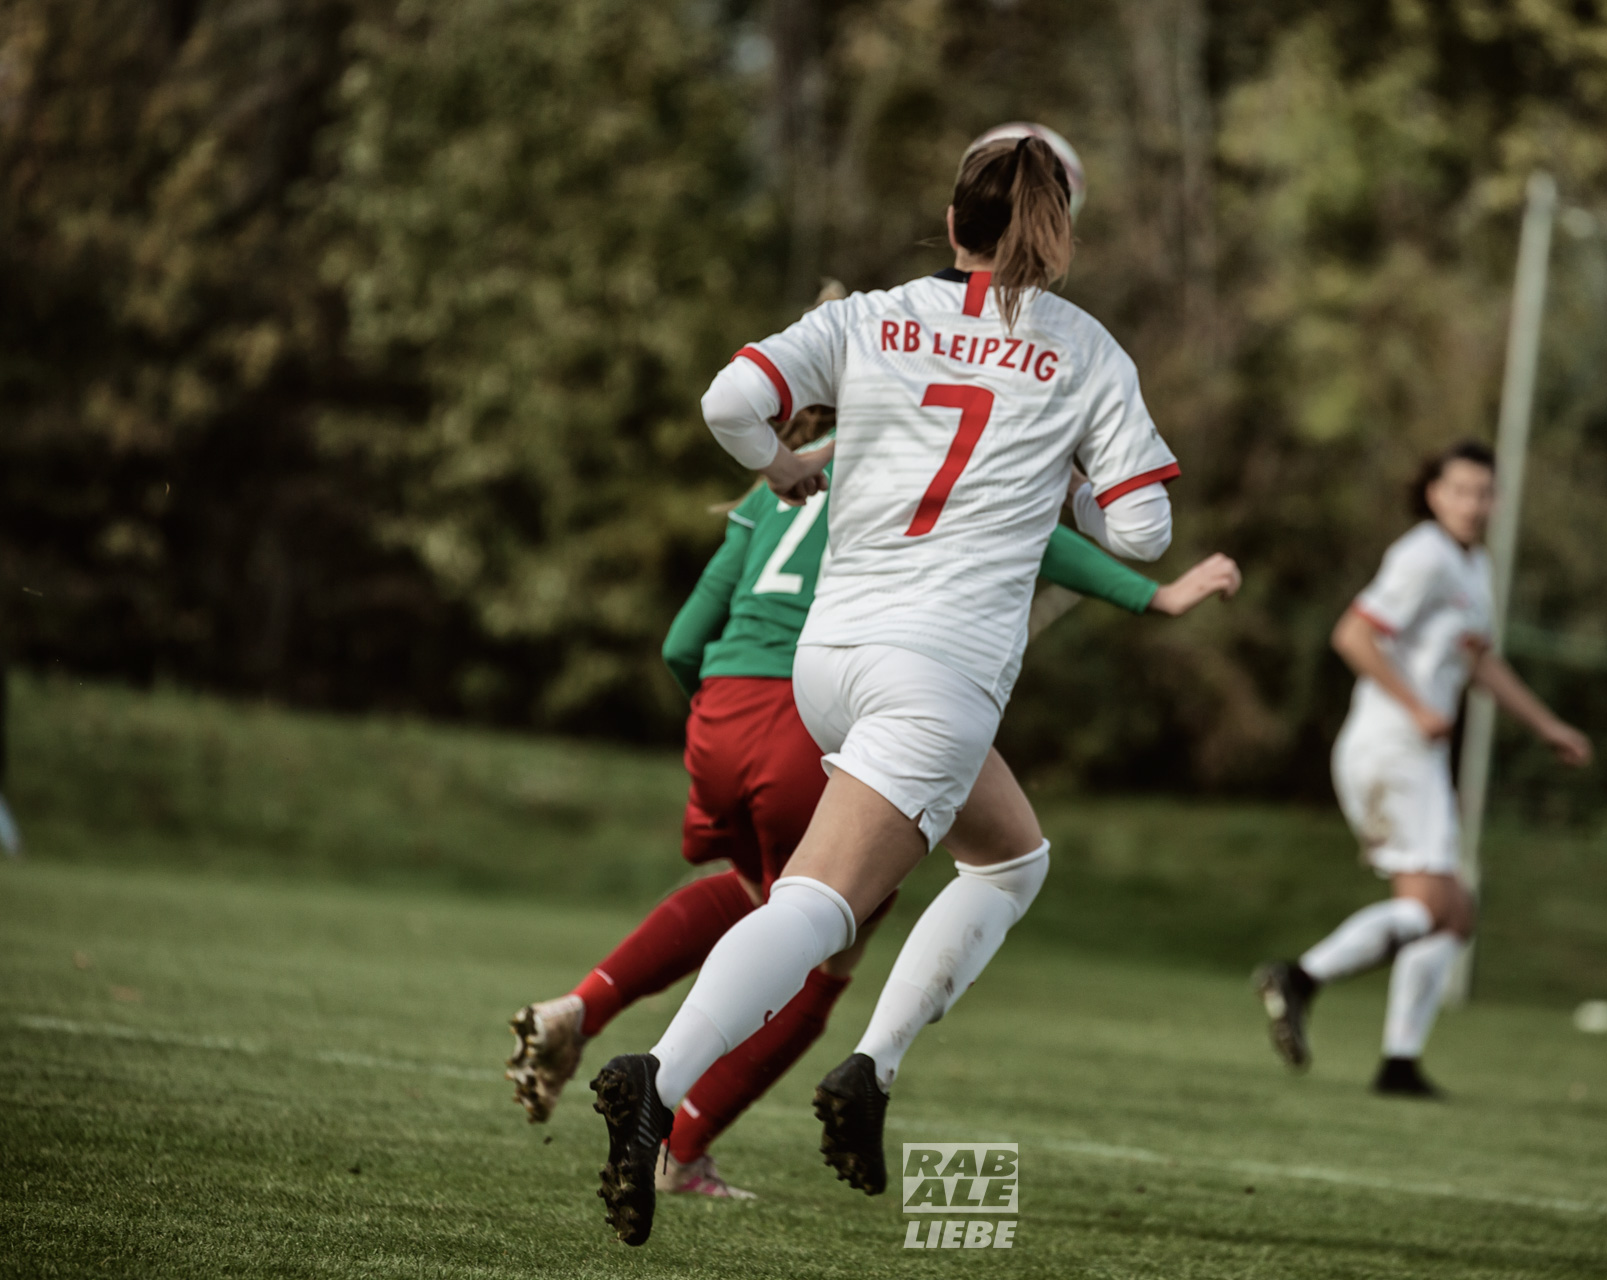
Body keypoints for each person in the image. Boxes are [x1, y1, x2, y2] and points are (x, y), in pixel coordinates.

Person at [584, 132, 1181, 1247]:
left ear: (954, 224)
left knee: (1011, 854)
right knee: (820, 903)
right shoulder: (1086, 350)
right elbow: (1146, 527)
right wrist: (1071, 491)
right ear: (1062, 235)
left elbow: (729, 401)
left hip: (830, 659)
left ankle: (870, 1064)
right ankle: (656, 1076)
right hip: (940, 669)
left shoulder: (869, 314)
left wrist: (785, 468)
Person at [505, 400, 1236, 1199]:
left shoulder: (778, 483)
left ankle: (584, 1005)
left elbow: (682, 641)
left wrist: (714, 716)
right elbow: (1031, 529)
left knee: (759, 897)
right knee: (824, 933)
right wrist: (1152, 597)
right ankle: (683, 1136)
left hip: (722, 711)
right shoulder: (929, 449)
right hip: (834, 699)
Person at [1252, 440, 1591, 1097]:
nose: (1473, 503)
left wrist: (1548, 726)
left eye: (1484, 492)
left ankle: (1398, 1063)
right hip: (1391, 745)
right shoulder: (1422, 556)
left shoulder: (1472, 565)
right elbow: (1353, 634)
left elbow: (1479, 662)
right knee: (1433, 907)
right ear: (1434, 493)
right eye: (1460, 490)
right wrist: (1417, 707)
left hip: (1416, 753)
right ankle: (1300, 976)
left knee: (1455, 912)